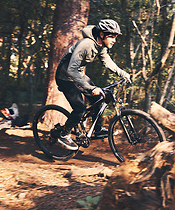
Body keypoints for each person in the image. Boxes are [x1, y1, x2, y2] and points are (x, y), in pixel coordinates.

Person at [55, 19, 131, 150]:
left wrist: (122, 73)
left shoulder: (100, 45)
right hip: (65, 77)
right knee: (80, 108)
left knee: (100, 98)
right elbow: (71, 70)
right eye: (112, 37)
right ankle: (64, 135)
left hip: (78, 76)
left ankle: (97, 129)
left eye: (115, 37)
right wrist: (91, 88)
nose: (114, 40)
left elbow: (107, 61)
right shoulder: (86, 44)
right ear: (102, 35)